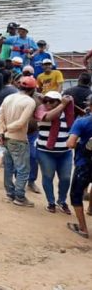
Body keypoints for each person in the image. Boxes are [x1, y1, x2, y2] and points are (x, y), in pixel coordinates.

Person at [0, 76, 39, 206]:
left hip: (6, 137)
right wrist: (7, 130)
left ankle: (10, 194)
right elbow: (21, 123)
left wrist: (2, 132)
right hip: (18, 138)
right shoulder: (30, 101)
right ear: (32, 89)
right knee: (23, 169)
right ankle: (19, 197)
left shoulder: (9, 98)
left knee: (9, 167)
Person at [35, 91, 75, 214]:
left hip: (65, 152)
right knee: (48, 177)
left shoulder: (68, 113)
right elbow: (48, 117)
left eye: (51, 101)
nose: (47, 103)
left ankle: (62, 201)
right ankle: (51, 202)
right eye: (46, 100)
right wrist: (62, 105)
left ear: (58, 102)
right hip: (45, 151)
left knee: (66, 178)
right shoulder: (40, 110)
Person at [66, 98, 92, 238]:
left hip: (85, 164)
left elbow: (70, 144)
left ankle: (83, 229)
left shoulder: (82, 121)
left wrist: (81, 144)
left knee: (76, 195)